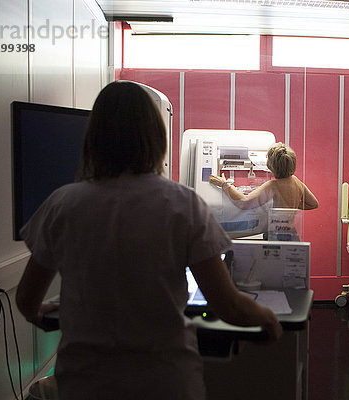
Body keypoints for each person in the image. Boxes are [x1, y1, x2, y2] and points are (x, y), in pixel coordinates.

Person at [15, 81, 282, 400]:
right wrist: (268, 319)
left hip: (85, 383)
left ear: (93, 139)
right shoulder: (183, 204)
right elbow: (227, 306)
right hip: (165, 382)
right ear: (156, 137)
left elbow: (27, 300)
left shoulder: (62, 204)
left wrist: (40, 312)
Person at [208, 142, 319, 211]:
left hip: (276, 232)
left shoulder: (273, 185)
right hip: (291, 231)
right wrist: (291, 207)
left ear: (271, 166)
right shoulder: (296, 181)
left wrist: (224, 184)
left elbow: (244, 202)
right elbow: (313, 204)